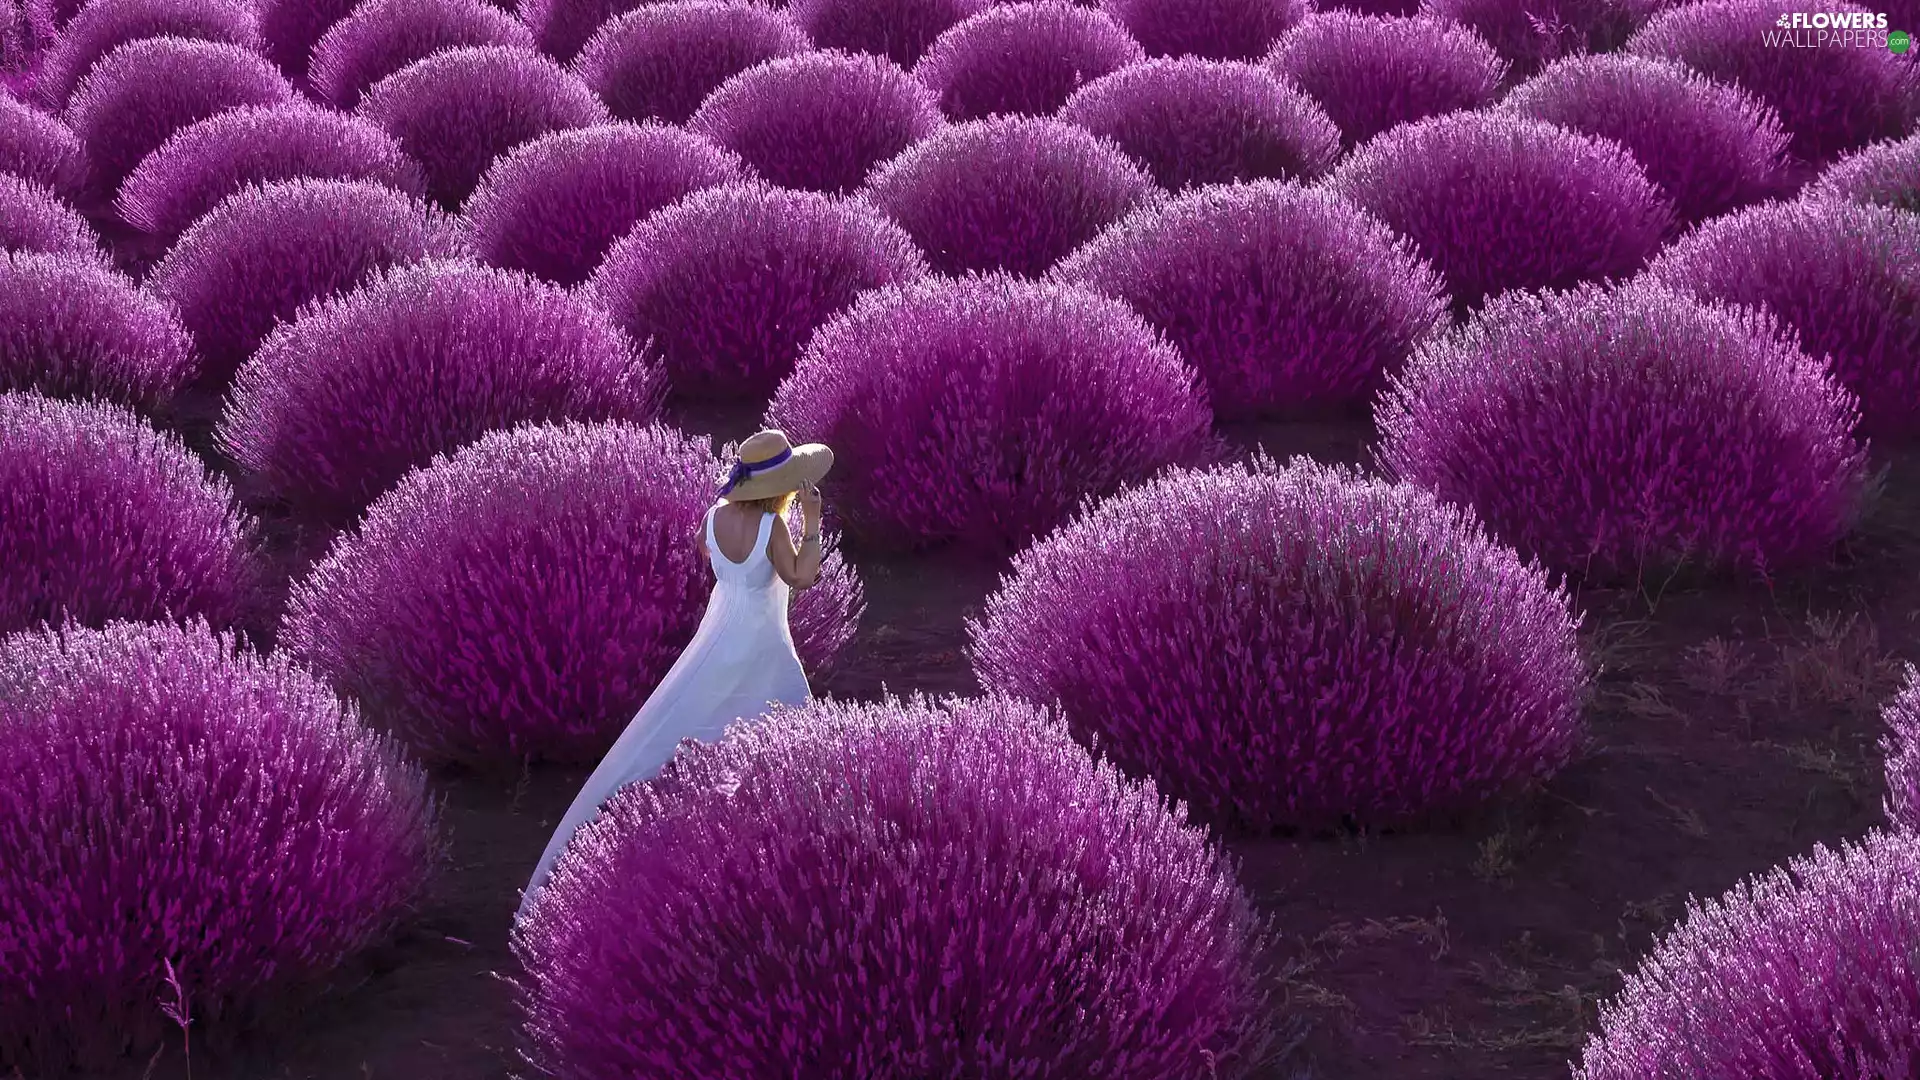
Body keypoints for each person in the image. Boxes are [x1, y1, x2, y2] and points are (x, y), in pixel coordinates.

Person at [518, 429, 833, 917]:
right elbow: (801, 575)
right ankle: (786, 821)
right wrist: (811, 522)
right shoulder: (773, 528)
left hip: (719, 631)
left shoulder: (713, 517)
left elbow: (706, 551)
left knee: (697, 714)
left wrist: (735, 575)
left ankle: (723, 812)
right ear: (782, 488)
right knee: (785, 706)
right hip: (760, 639)